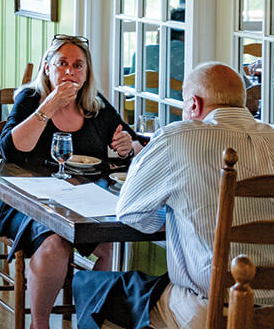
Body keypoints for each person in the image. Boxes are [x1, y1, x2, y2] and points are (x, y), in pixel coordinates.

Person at [73, 63, 274, 329]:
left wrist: (175, 219)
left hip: (208, 307)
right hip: (270, 308)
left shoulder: (177, 137)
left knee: (93, 288)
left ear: (194, 104)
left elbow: (130, 211)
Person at [0, 35, 140, 329]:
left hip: (82, 197)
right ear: (48, 67)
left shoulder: (95, 106)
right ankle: (41, 323)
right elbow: (9, 149)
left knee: (108, 241)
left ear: (86, 73)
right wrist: (47, 108)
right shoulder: (31, 99)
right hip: (26, 197)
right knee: (56, 241)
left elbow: (136, 143)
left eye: (77, 65)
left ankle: (90, 319)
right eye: (62, 64)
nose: (69, 72)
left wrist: (129, 146)